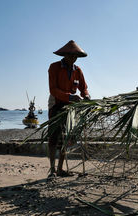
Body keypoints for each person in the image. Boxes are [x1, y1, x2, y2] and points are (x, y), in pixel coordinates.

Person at [48, 40, 90, 178]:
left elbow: (84, 88)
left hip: (70, 107)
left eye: (75, 56)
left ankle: (60, 169)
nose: (73, 58)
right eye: (71, 55)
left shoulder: (77, 71)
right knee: (53, 137)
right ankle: (52, 169)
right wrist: (70, 97)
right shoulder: (54, 67)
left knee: (65, 138)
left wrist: (87, 97)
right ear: (65, 55)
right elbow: (53, 89)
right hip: (56, 103)